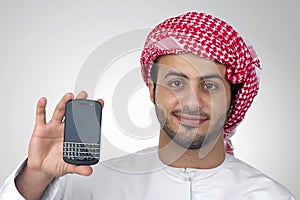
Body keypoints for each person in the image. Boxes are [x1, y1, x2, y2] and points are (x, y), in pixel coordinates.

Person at [0, 12, 295, 200]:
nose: (192, 101)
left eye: (210, 85)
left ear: (232, 97)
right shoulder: (87, 185)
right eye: (177, 83)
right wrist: (35, 176)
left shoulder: (269, 196)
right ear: (152, 90)